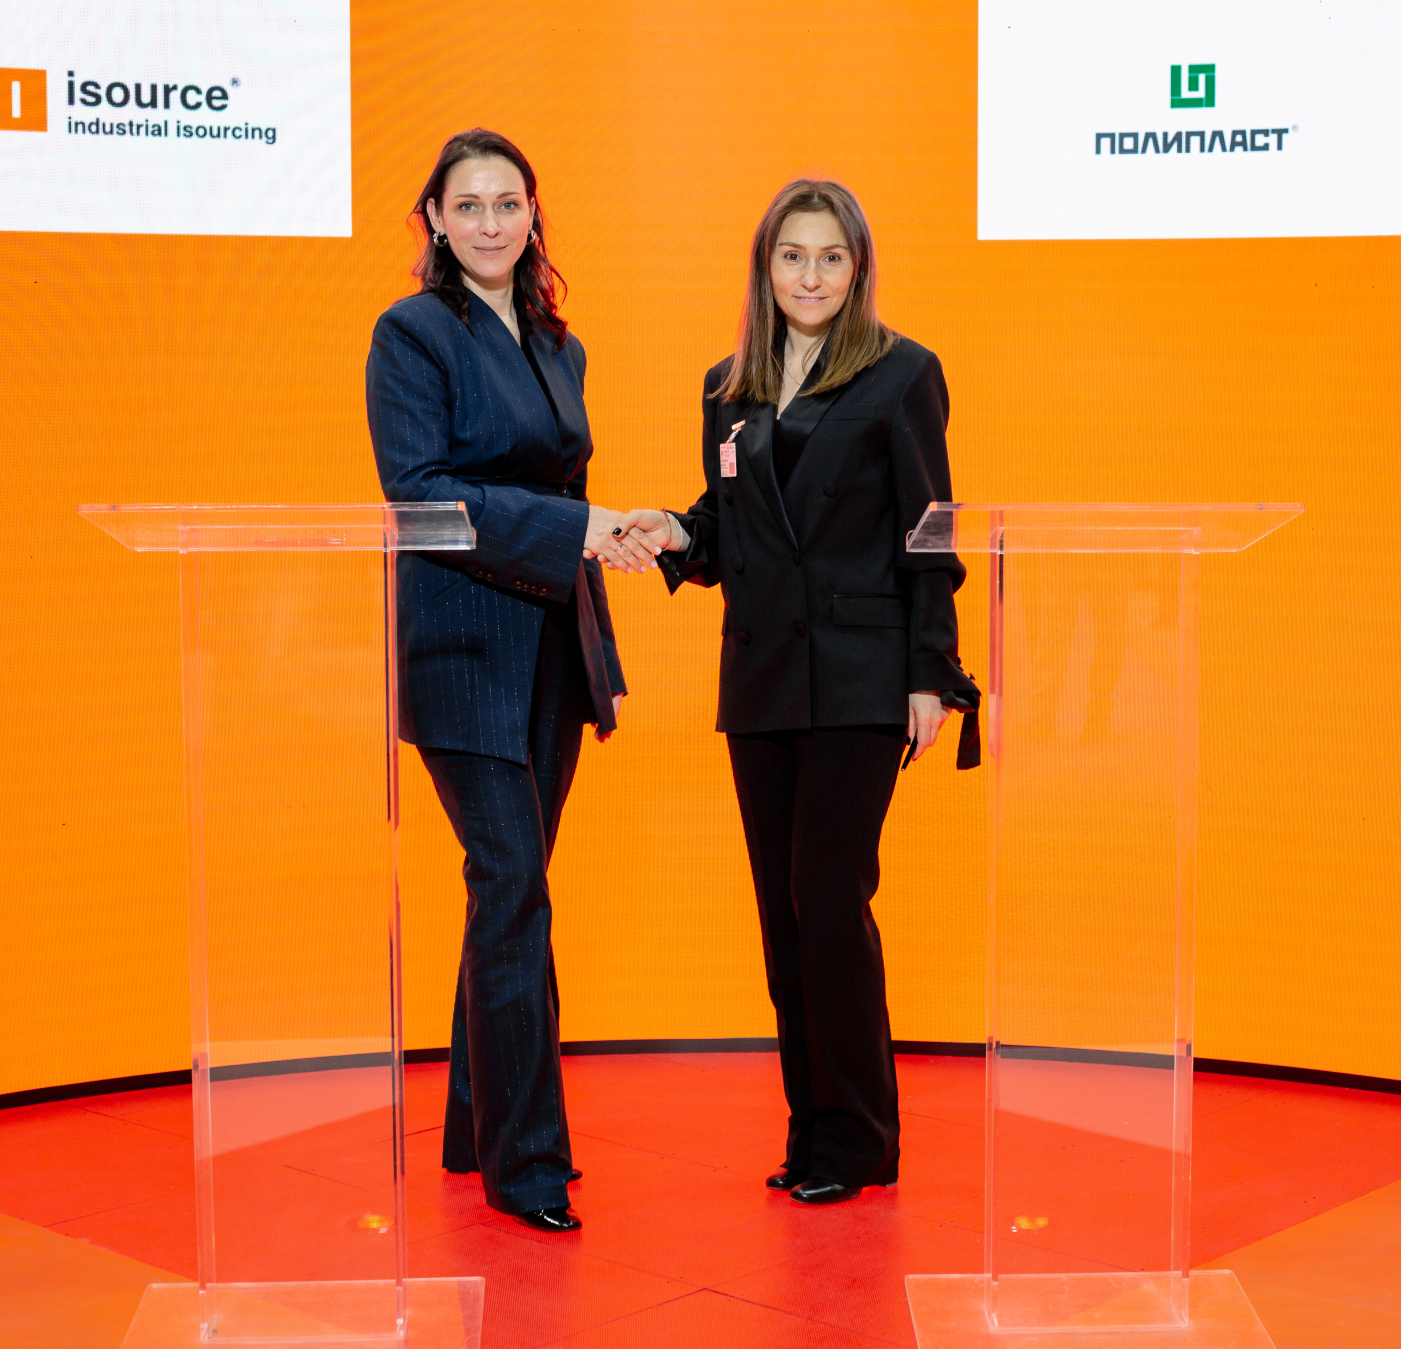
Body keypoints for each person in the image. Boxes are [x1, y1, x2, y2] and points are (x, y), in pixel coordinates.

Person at [602, 180, 980, 1206]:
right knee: (784, 913)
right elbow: (731, 529)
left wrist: (929, 672)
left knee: (829, 898)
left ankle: (859, 1139)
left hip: (862, 677)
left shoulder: (902, 372)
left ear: (858, 269)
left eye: (830, 257)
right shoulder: (728, 386)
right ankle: (811, 1130)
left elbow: (930, 531)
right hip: (763, 676)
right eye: (792, 256)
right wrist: (675, 531)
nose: (810, 277)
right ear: (764, 268)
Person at [366, 128, 632, 1233]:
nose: (489, 222)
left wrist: (607, 534)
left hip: (555, 643)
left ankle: (474, 1126)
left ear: (532, 215)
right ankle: (526, 1163)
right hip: (463, 644)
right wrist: (578, 526)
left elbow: (561, 485)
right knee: (512, 882)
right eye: (467, 204)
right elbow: (419, 493)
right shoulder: (411, 333)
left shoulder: (560, 343)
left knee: (506, 890)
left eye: (507, 202)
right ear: (434, 218)